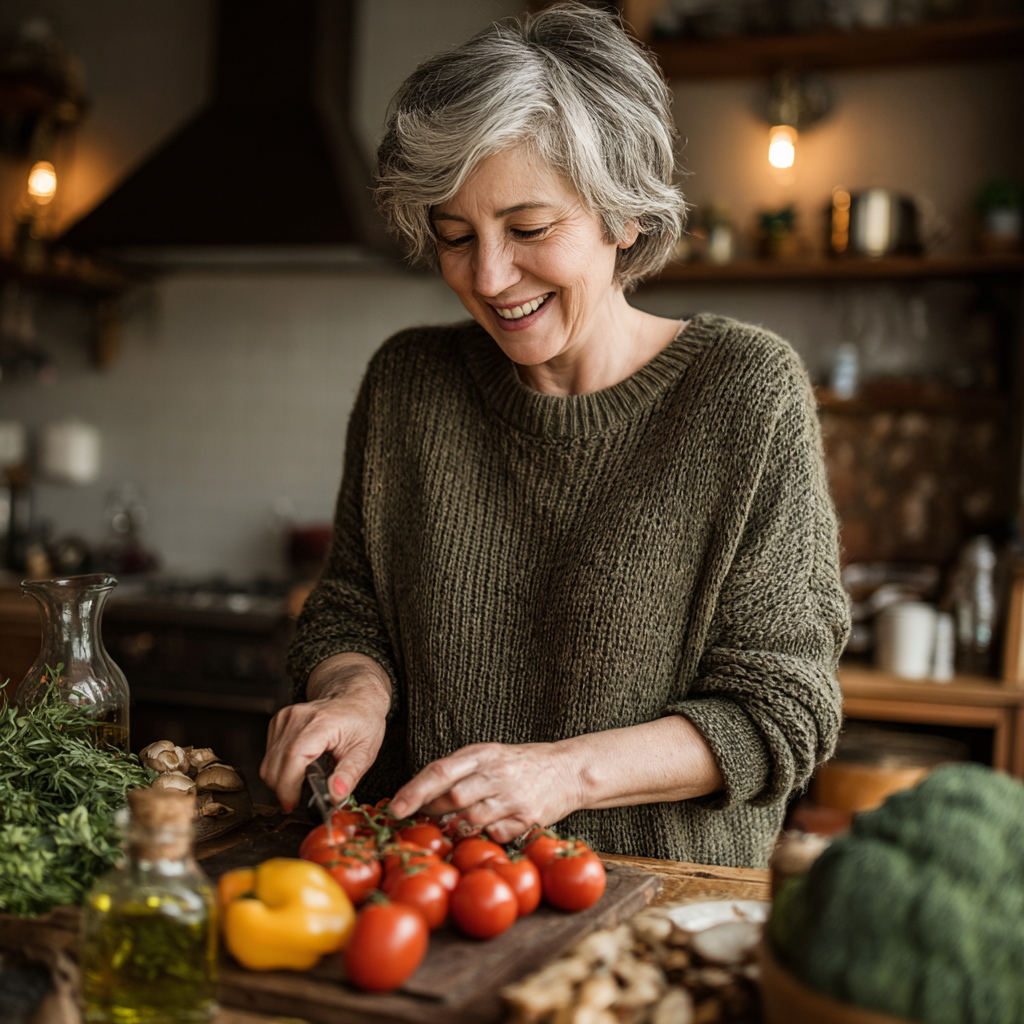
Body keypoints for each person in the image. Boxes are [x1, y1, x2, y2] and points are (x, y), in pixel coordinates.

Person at [260, 2, 849, 868]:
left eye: (530, 230)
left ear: (624, 219)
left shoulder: (746, 392)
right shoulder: (409, 383)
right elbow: (352, 606)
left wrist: (565, 776)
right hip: (428, 891)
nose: (491, 277)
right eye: (455, 237)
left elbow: (783, 707)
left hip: (651, 909)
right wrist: (353, 695)